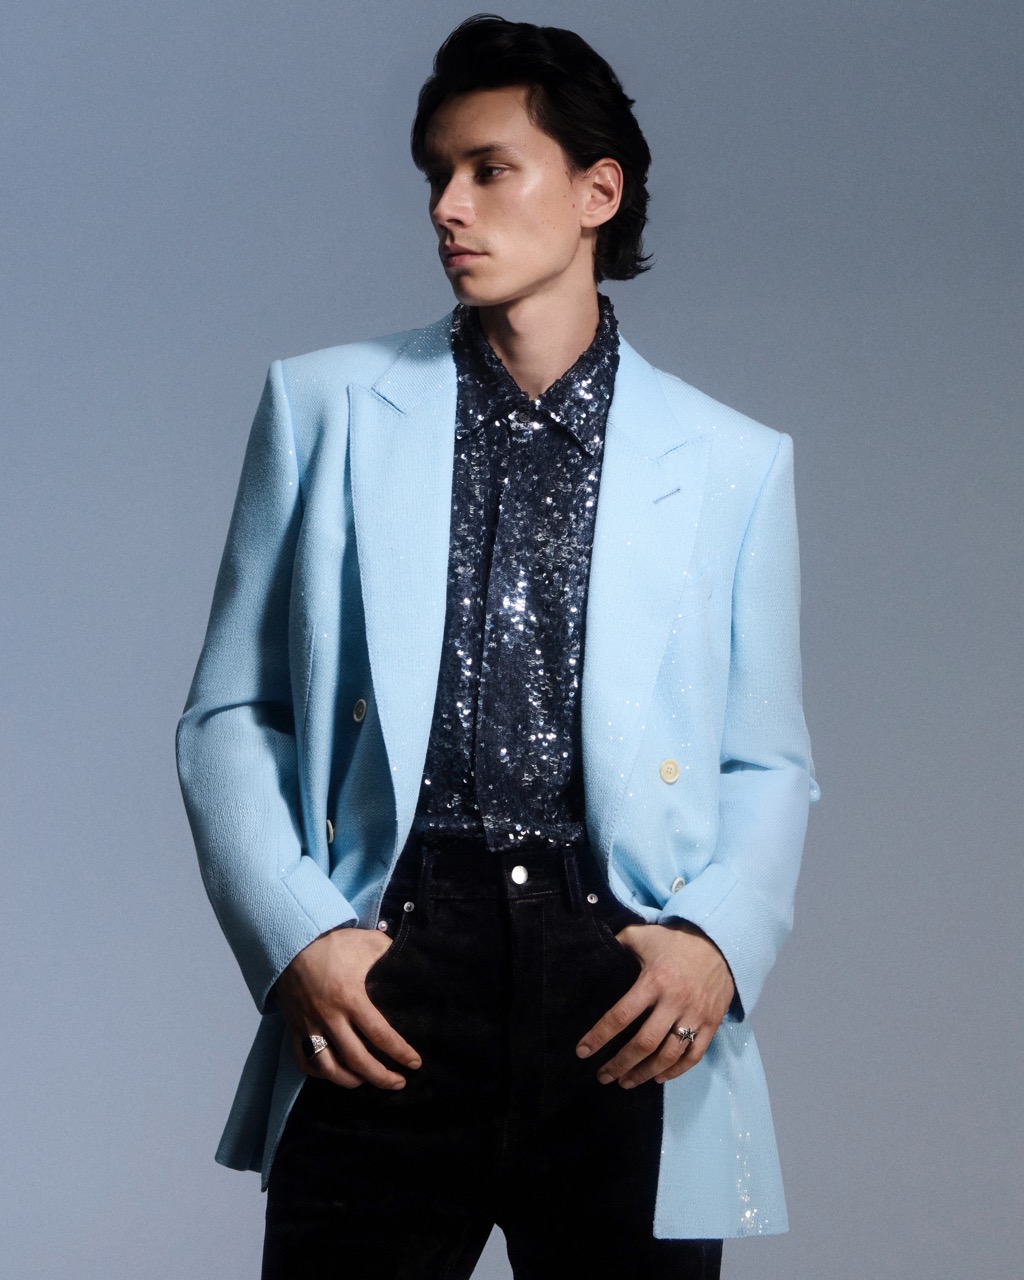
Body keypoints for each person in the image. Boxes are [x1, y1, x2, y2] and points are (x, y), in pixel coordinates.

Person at [177, 14, 818, 1279]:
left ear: (596, 192)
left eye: (488, 168)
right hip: (391, 965)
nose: (446, 207)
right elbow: (231, 711)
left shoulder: (733, 462)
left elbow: (767, 756)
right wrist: (298, 931)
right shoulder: (323, 407)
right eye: (437, 174)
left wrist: (716, 941)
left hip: (622, 979)